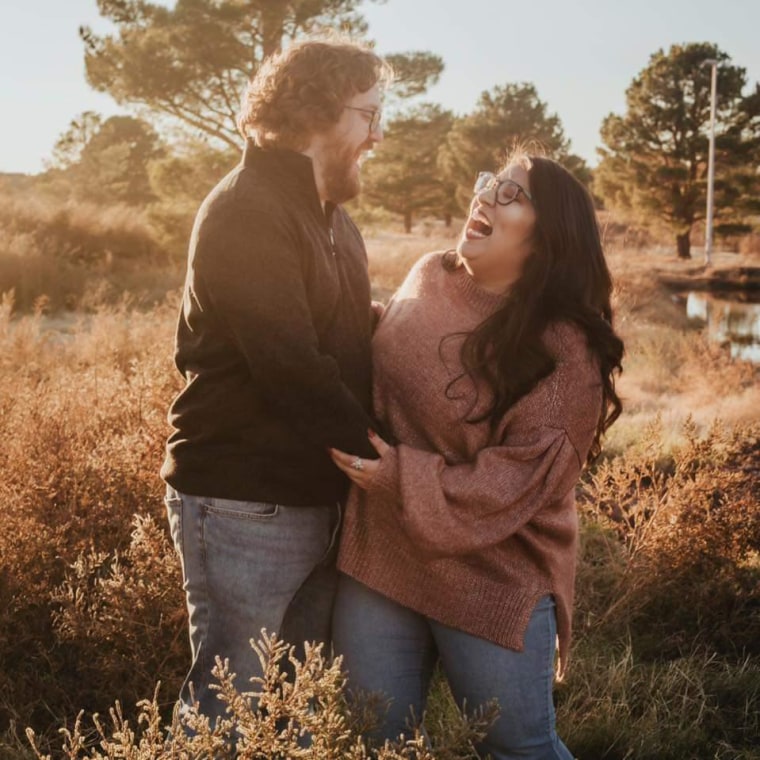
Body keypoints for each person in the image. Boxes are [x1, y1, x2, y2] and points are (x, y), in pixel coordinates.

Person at [329, 151, 624, 760]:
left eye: (511, 194)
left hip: (494, 578)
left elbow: (516, 481)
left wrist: (398, 479)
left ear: (546, 240)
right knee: (374, 739)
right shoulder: (429, 274)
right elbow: (397, 349)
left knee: (516, 747)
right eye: (488, 183)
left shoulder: (566, 353)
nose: (484, 197)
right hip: (383, 552)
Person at [160, 38, 392, 725]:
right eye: (368, 115)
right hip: (241, 505)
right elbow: (294, 368)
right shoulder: (246, 210)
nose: (378, 134)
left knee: (292, 715)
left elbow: (349, 345)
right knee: (229, 710)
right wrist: (393, 465)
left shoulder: (336, 221)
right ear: (317, 112)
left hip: (319, 499)